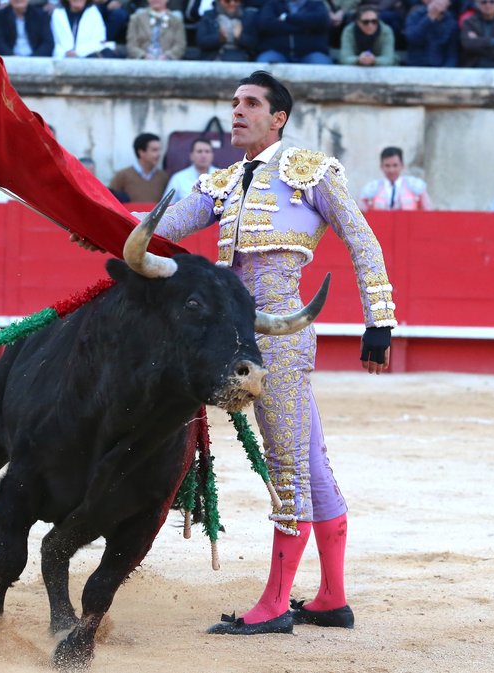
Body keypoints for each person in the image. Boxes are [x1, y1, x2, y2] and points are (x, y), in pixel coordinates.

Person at [141, 70, 394, 636]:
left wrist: (380, 320)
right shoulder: (223, 182)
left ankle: (276, 605)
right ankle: (331, 597)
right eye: (233, 102)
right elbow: (163, 226)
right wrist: (98, 225)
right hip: (238, 335)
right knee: (310, 464)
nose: (237, 111)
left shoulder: (311, 172)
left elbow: (362, 239)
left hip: (279, 339)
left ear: (277, 117)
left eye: (250, 103)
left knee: (286, 466)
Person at [254, 0, 333, 64]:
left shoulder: (316, 5)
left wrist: (286, 18)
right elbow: (266, 24)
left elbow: (322, 21)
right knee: (263, 67)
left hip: (311, 53)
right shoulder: (272, 4)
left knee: (323, 65)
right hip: (277, 52)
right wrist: (304, 25)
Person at [359, 146, 431, 212]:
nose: (391, 170)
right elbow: (361, 215)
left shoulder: (416, 186)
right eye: (387, 166)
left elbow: (428, 212)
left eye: (395, 165)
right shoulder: (371, 189)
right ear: (381, 166)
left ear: (402, 165)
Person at [107, 132, 169, 203]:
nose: (159, 154)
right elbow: (110, 200)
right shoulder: (123, 175)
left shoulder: (163, 177)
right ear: (141, 152)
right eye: (154, 150)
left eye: (159, 150)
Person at [402, 0, 458, 67]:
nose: (439, 2)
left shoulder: (451, 23)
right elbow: (412, 38)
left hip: (440, 68)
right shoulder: (415, 16)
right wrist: (429, 18)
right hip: (416, 66)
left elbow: (452, 54)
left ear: (448, 3)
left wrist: (445, 72)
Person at [51, 0, 115, 58]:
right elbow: (57, 42)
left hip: (89, 56)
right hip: (63, 58)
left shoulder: (94, 12)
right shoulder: (58, 14)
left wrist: (78, 52)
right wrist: (66, 53)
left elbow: (99, 40)